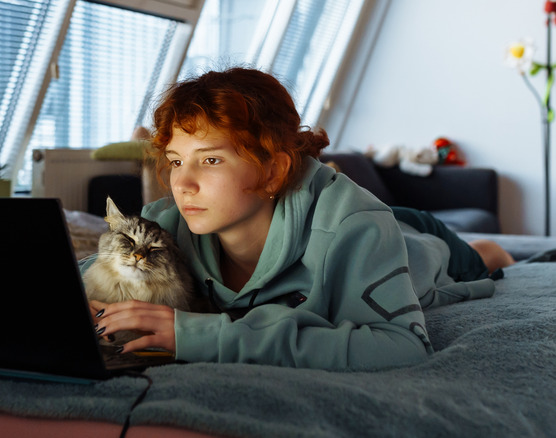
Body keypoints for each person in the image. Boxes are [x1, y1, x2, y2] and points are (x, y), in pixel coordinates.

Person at [81, 67, 514, 370]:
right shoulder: (167, 225)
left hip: (413, 239)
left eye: (210, 159)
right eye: (176, 162)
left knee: (477, 255)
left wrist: (204, 337)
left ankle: (486, 250)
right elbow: (88, 273)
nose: (183, 184)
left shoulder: (357, 225)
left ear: (273, 170)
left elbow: (401, 345)